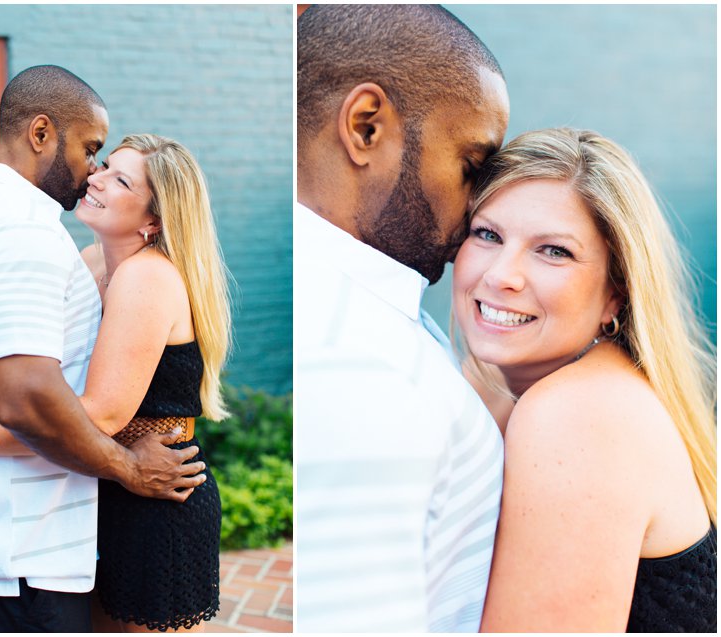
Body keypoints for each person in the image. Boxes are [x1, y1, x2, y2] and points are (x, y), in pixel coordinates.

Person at [0, 66, 206, 633]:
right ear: (42, 133)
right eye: (94, 151)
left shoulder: (4, 222)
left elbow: (86, 405)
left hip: (118, 505)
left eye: (118, 176)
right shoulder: (35, 237)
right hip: (26, 536)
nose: (94, 173)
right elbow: (19, 386)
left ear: (153, 219)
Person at [451, 127, 717, 632]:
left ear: (616, 295)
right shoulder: (500, 382)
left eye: (553, 251)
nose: (502, 275)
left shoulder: (577, 414)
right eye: (487, 234)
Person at [296, 5, 509, 631]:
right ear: (366, 127)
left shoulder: (365, 321)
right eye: (473, 166)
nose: (478, 210)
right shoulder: (356, 362)